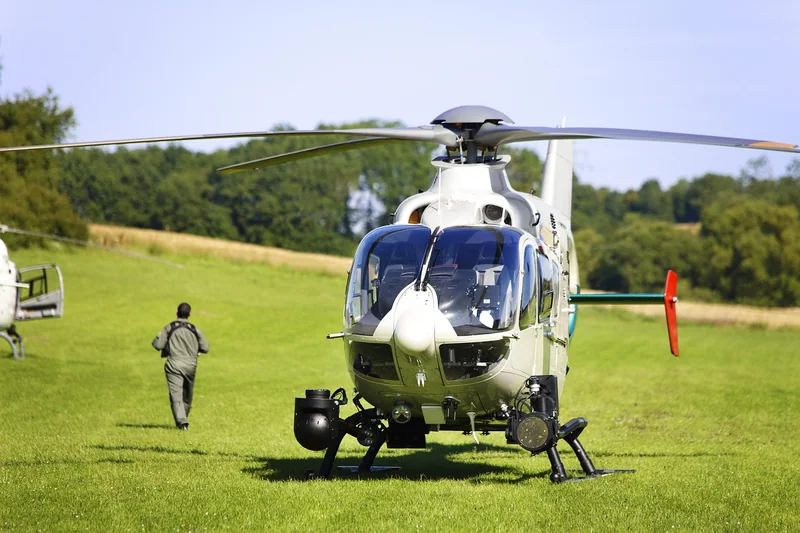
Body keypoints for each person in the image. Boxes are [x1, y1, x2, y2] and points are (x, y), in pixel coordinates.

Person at [152, 302, 210, 430]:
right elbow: (205, 348)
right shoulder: (194, 329)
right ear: (189, 314)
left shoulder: (169, 327)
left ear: (176, 312)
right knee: (187, 394)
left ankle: (182, 422)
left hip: (174, 364)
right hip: (191, 365)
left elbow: (158, 345)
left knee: (176, 394)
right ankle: (183, 418)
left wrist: (157, 337)